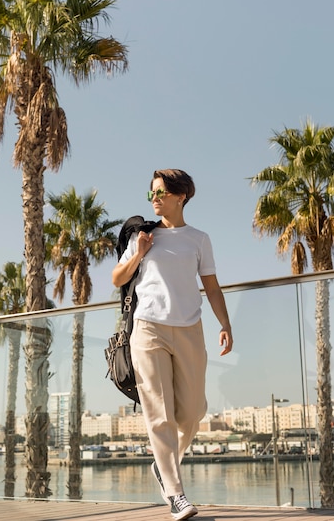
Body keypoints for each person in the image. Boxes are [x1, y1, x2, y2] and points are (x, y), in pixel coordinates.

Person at [112, 169, 233, 521]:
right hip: (148, 330)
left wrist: (224, 323)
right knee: (159, 413)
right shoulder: (143, 235)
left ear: (181, 196)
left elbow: (211, 286)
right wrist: (139, 253)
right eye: (152, 192)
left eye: (162, 192)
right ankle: (176, 493)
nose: (155, 198)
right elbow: (117, 277)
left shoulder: (198, 239)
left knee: (193, 412)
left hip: (189, 328)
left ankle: (163, 466)